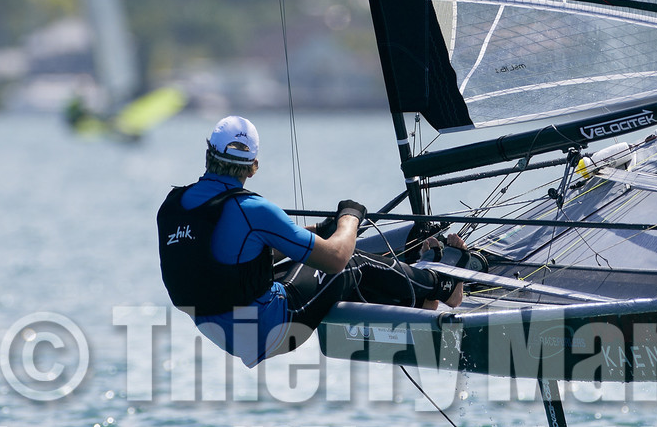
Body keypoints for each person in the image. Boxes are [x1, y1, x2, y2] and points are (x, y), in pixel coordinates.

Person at [156, 116, 478, 366]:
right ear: (253, 167)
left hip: (225, 332)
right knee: (352, 265)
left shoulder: (173, 206)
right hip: (269, 331)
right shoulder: (251, 209)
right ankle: (443, 286)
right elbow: (337, 257)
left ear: (208, 153)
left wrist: (321, 229)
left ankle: (418, 299)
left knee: (310, 260)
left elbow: (239, 257)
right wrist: (351, 216)